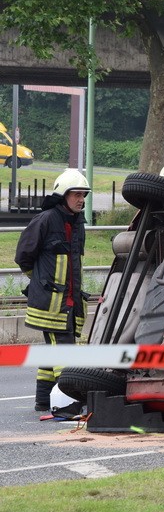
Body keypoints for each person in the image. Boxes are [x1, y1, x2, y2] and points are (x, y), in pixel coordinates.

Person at [15, 169, 90, 412]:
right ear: (63, 195)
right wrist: (37, 280)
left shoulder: (78, 224)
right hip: (51, 305)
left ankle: (44, 399)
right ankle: (68, 404)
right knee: (66, 354)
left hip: (68, 304)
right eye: (76, 194)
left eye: (83, 195)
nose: (81, 199)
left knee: (53, 352)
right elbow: (23, 256)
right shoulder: (45, 220)